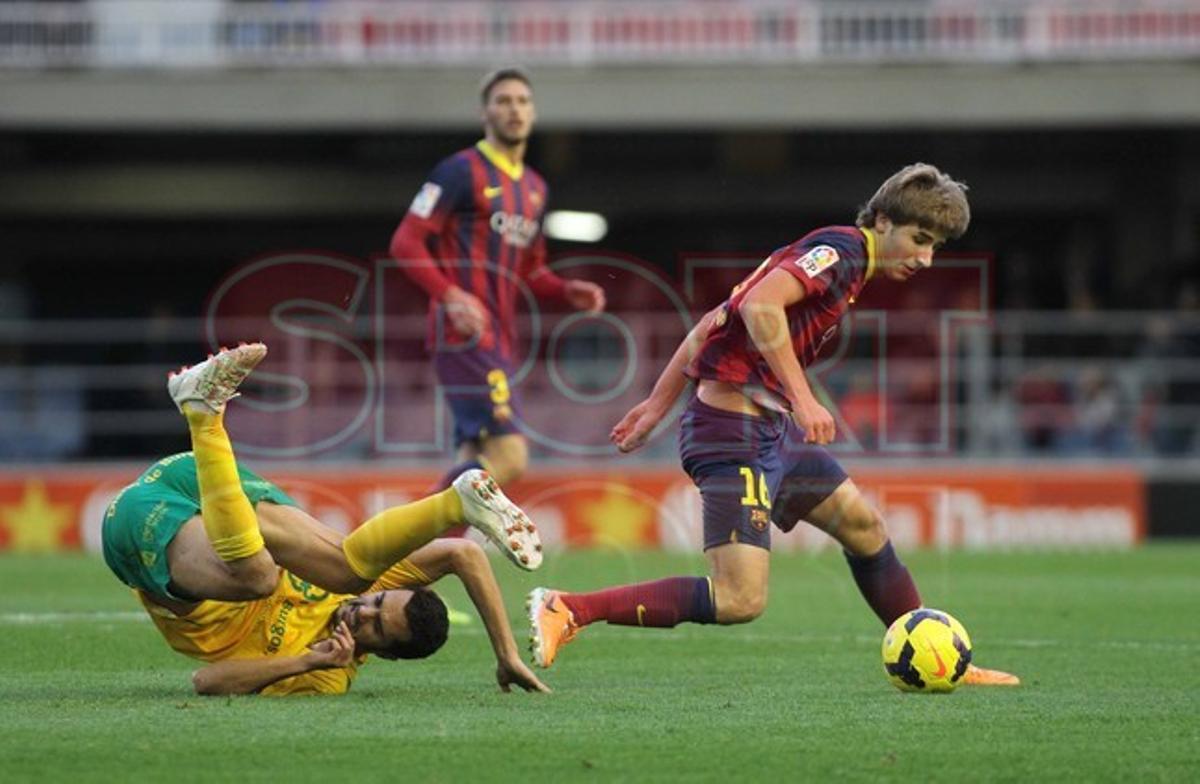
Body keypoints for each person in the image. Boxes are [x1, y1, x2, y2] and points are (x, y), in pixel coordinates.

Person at [527, 164, 1019, 686]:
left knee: (865, 529)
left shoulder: (845, 261)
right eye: (919, 239)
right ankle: (570, 607)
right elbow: (762, 306)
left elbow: (715, 319)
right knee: (739, 599)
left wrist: (656, 404)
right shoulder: (840, 252)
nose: (925, 258)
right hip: (732, 434)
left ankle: (938, 655)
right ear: (881, 221)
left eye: (935, 246)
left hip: (769, 431)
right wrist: (804, 399)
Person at [102, 343, 549, 696]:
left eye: (375, 625)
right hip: (198, 478)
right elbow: (464, 553)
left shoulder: (327, 674)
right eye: (378, 602)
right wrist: (506, 653)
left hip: (139, 535)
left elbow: (206, 682)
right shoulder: (367, 590)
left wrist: (307, 660)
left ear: (385, 655)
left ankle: (205, 415)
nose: (361, 610)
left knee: (260, 576)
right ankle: (455, 501)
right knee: (345, 572)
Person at [389, 67, 606, 491]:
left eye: (522, 101)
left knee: (473, 464)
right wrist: (451, 296)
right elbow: (405, 241)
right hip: (464, 334)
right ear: (484, 113)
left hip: (501, 339)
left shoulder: (535, 188)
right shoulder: (459, 171)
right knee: (511, 458)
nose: (514, 110)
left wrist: (565, 289)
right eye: (503, 101)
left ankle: (430, 535)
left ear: (533, 113)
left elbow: (530, 269)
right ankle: (408, 528)